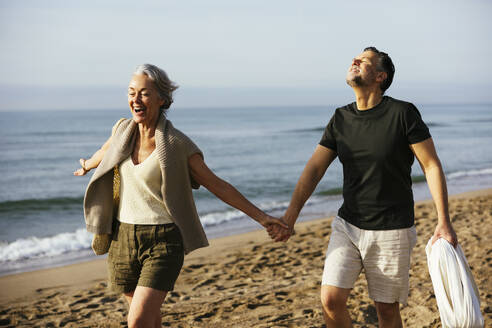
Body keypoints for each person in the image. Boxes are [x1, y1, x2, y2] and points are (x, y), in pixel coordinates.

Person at [74, 64, 287, 328]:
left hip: (163, 241)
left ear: (162, 99)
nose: (135, 100)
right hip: (122, 238)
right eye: (131, 93)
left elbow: (218, 185)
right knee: (149, 318)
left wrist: (263, 217)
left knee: (137, 320)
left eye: (144, 93)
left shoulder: (177, 144)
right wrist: (87, 165)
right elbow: (104, 152)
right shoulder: (122, 131)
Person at [268, 47, 458, 328]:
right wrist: (290, 217)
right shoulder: (341, 118)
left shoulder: (403, 113)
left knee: (386, 310)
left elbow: (430, 165)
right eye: (354, 58)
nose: (354, 61)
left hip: (392, 228)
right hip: (348, 225)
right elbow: (315, 169)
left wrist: (444, 222)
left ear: (381, 76)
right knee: (331, 300)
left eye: (364, 60)